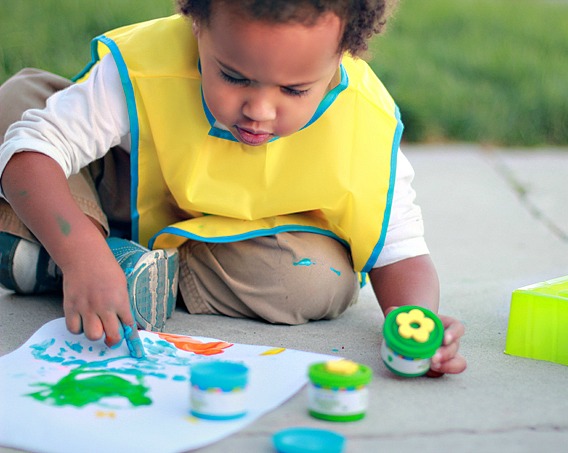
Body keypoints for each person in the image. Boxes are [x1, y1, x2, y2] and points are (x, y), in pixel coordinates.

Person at [0, 0, 466, 375]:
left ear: (345, 52)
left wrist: (416, 323)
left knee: (319, 280)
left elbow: (400, 252)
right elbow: (34, 149)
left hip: (222, 250)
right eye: (235, 77)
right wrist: (82, 253)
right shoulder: (149, 65)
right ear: (196, 22)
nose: (259, 109)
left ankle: (96, 268)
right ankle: (85, 260)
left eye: (295, 90)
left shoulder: (364, 123)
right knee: (17, 101)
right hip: (113, 194)